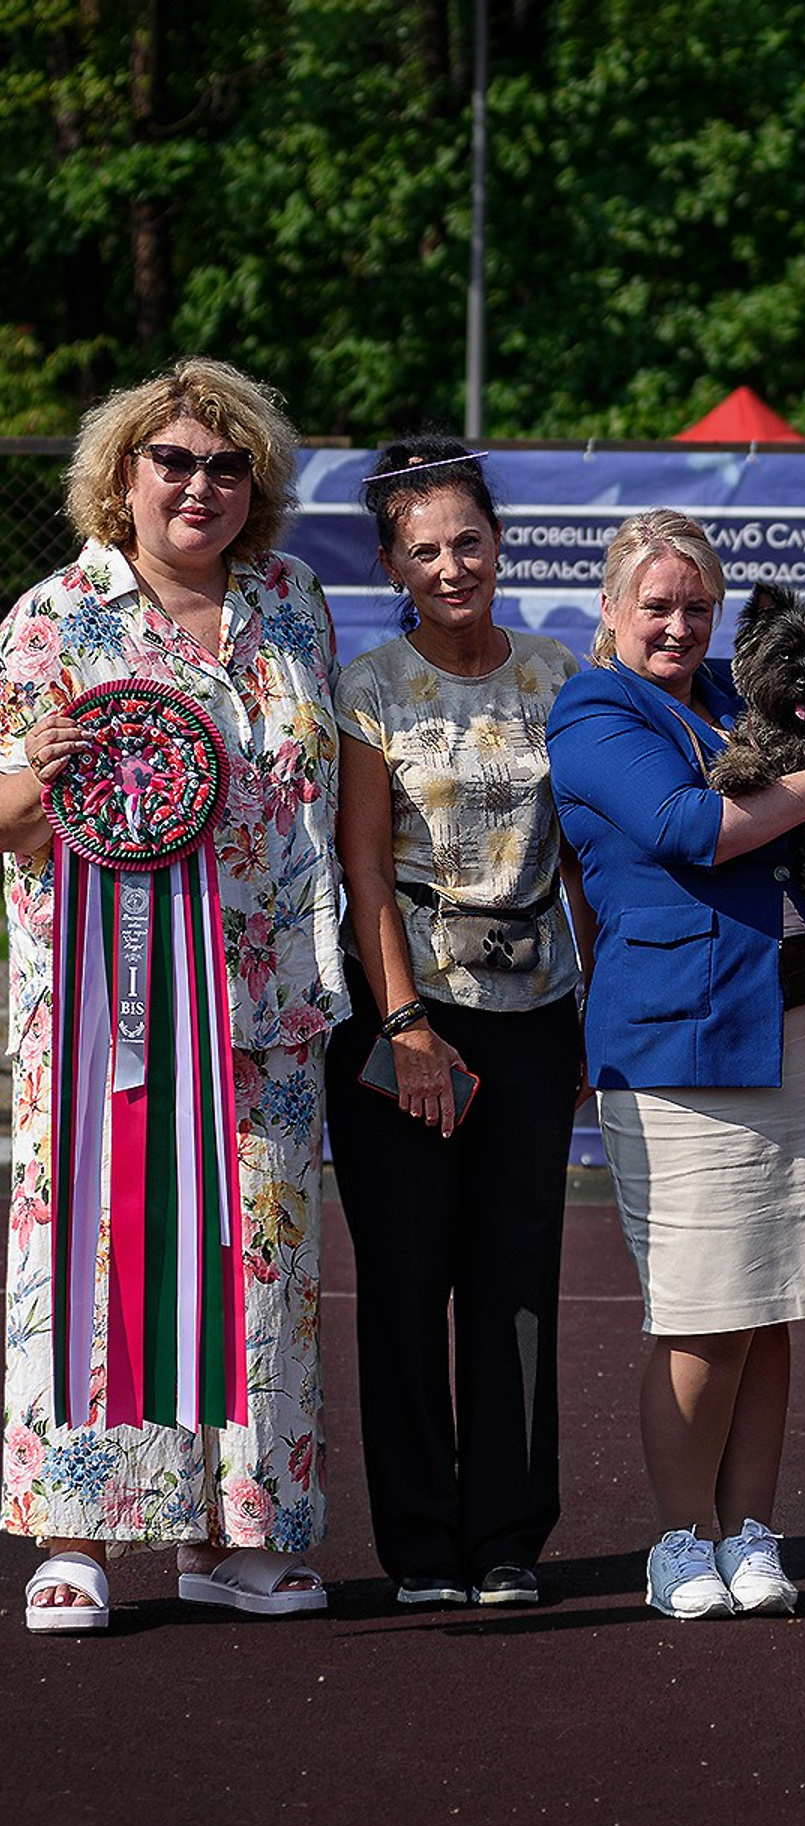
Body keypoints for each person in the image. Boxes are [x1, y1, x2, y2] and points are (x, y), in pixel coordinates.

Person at [0, 357, 344, 1630]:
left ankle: (233, 1536)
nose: (200, 485)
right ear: (121, 477)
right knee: (96, 1263)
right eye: (174, 462)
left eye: (226, 464)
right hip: (106, 1021)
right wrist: (37, 770)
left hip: (268, 1010)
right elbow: (6, 819)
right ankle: (80, 1536)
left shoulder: (295, 603)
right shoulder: (52, 621)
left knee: (260, 1269)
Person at [546, 510, 805, 1620]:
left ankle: (751, 1531)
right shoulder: (595, 708)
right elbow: (685, 828)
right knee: (701, 1308)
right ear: (610, 609)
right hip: (679, 1038)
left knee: (771, 1300)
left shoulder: (729, 704)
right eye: (657, 604)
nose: (678, 624)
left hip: (791, 1024)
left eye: (697, 607)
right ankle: (679, 1538)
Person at [324, 438, 589, 1609]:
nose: (451, 564)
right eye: (423, 548)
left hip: (538, 1015)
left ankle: (506, 1538)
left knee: (519, 1277)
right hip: (407, 1017)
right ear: (391, 560)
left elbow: (585, 858)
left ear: (499, 541)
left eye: (467, 540)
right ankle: (424, 1545)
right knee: (406, 1278)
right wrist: (406, 1030)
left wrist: (596, 1017)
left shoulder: (559, 673)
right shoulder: (369, 686)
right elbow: (364, 869)